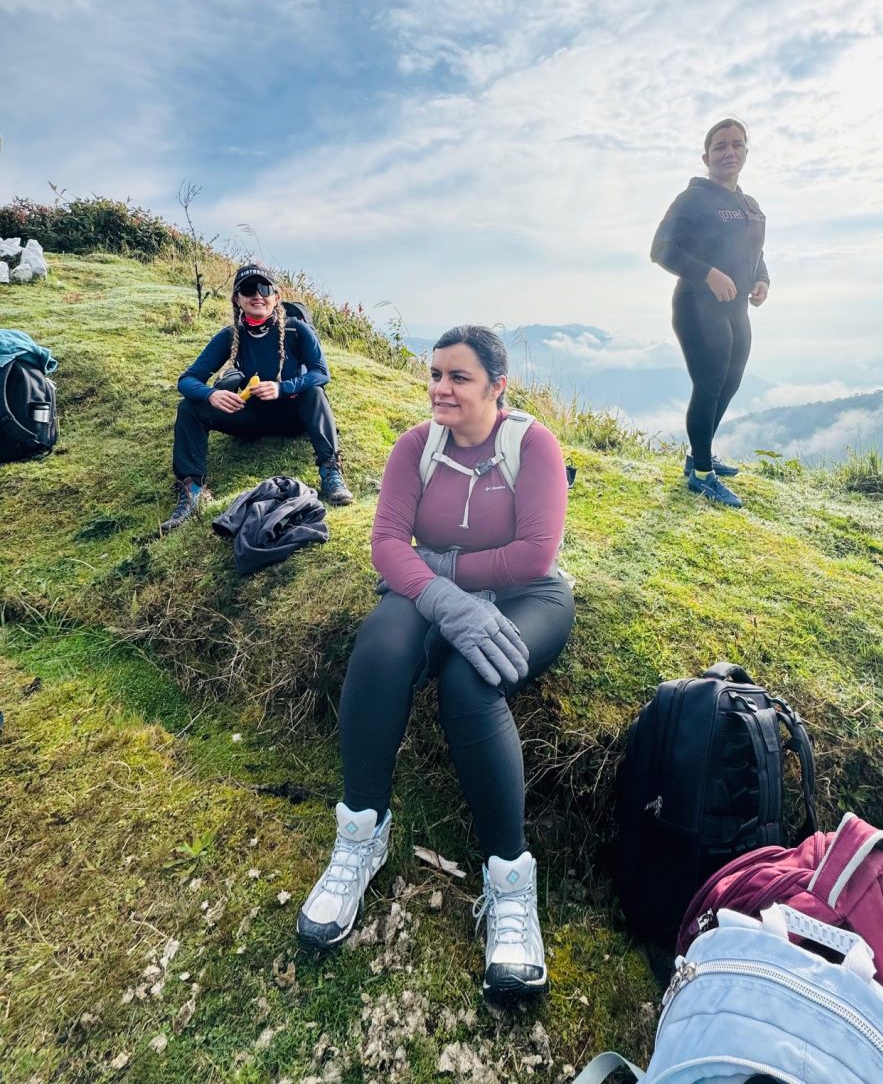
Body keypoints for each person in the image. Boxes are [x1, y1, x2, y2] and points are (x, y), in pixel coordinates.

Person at [297, 325, 574, 1002]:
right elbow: (387, 544)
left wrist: (445, 571)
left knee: (471, 681)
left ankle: (511, 886)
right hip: (431, 590)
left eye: (459, 377)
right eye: (435, 375)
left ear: (498, 386)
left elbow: (535, 555)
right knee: (380, 648)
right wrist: (443, 596)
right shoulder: (415, 447)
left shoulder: (532, 445)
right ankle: (360, 837)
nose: (441, 389)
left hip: (528, 596)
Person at [160, 263, 353, 533]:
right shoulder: (230, 336)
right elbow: (187, 380)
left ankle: (330, 472)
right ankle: (192, 493)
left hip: (294, 416)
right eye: (249, 289)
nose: (257, 295)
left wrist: (282, 388)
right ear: (237, 299)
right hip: (251, 417)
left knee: (315, 392)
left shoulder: (297, 330)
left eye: (264, 288)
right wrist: (211, 394)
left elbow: (321, 373)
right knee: (190, 407)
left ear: (276, 296)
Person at [650, 118, 769, 509]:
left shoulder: (750, 206)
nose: (729, 152)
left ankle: (697, 456)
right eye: (720, 146)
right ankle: (702, 475)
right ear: (706, 157)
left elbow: (756, 254)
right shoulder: (692, 200)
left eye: (737, 144)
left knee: (730, 383)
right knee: (709, 385)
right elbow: (661, 250)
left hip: (737, 310)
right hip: (697, 307)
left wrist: (762, 280)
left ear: (746, 152)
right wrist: (708, 273)